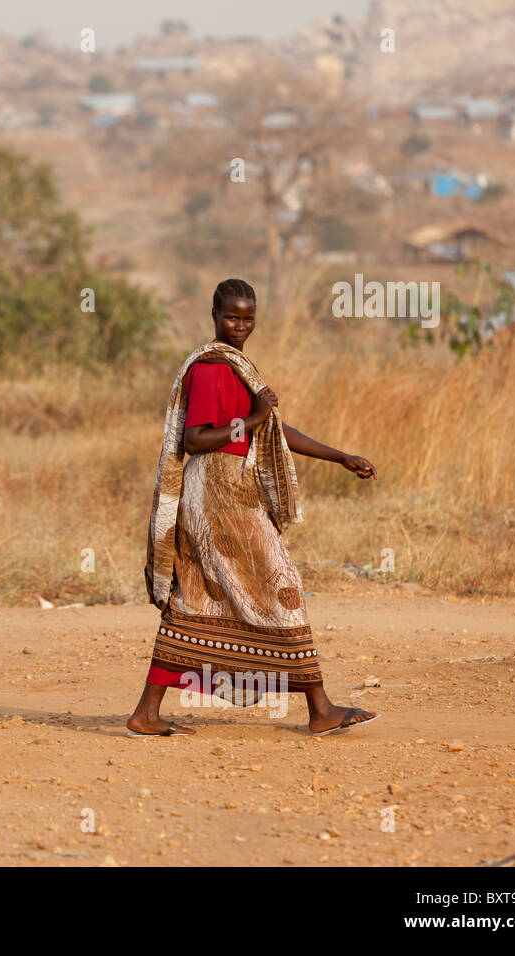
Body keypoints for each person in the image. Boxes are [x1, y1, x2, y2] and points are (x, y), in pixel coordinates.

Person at [127, 278, 381, 737]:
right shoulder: (210, 367)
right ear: (214, 315)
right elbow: (196, 439)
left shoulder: (237, 366)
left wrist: (340, 456)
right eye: (232, 317)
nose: (240, 326)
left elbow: (274, 432)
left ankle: (147, 713)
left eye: (248, 318)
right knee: (282, 586)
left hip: (232, 492)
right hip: (216, 496)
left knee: (198, 600)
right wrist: (254, 418)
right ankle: (320, 709)